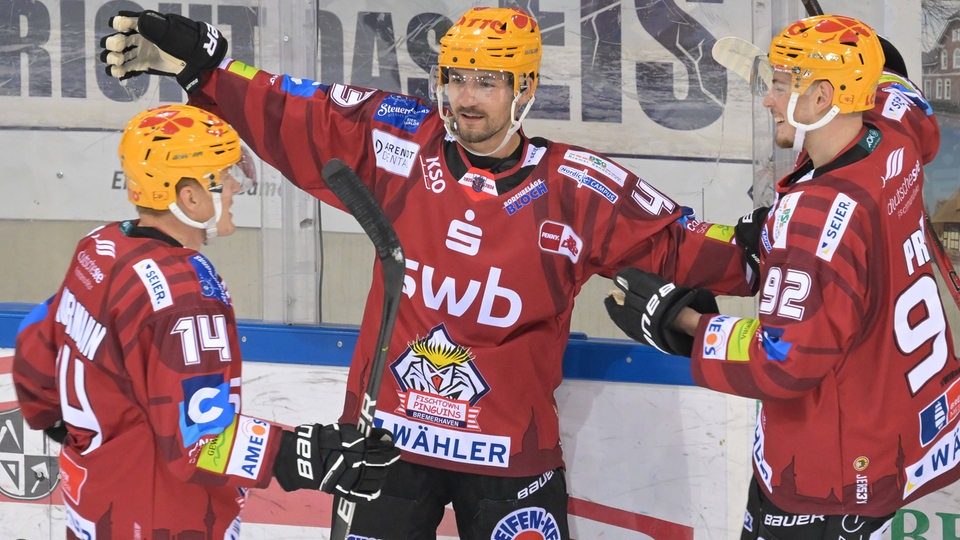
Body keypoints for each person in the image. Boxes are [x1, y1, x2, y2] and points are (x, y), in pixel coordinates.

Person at [98, 8, 755, 538]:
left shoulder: (578, 186)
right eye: (456, 79)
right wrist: (211, 70)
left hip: (508, 456)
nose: (466, 99)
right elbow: (296, 111)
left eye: (487, 82)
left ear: (524, 89)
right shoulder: (399, 141)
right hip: (384, 447)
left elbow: (683, 241)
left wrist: (776, 243)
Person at [605, 14, 959, 540]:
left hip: (827, 477)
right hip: (899, 436)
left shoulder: (815, 221)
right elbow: (906, 101)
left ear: (823, 97)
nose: (768, 99)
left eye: (779, 85)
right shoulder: (895, 140)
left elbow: (783, 361)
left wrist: (685, 324)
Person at [12, 104, 400, 539]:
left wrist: (57, 419)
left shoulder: (99, 247)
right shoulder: (186, 296)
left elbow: (34, 340)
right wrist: (304, 455)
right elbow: (199, 444)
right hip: (166, 521)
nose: (234, 185)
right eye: (221, 176)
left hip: (95, 509)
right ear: (189, 196)